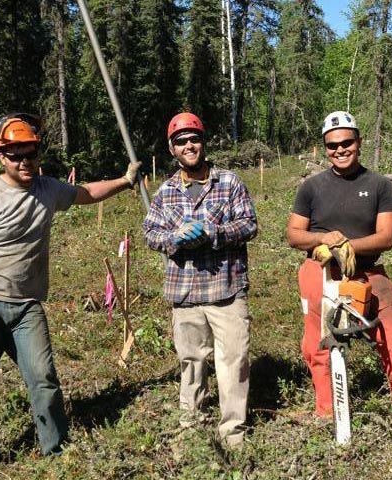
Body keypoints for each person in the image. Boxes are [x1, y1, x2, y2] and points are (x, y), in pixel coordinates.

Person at [0, 113, 141, 468]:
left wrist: (126, 181)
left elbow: (85, 193)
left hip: (27, 307)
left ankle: (56, 450)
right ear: (0, 156)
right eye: (15, 155)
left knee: (44, 379)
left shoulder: (47, 189)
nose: (24, 162)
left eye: (31, 154)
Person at [286, 111, 392, 420]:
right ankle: (328, 411)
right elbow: (293, 234)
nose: (339, 150)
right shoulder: (311, 188)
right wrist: (324, 243)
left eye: (346, 142)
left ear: (359, 142)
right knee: (319, 339)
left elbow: (386, 237)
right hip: (321, 270)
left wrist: (349, 245)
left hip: (367, 271)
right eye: (332, 145)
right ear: (325, 148)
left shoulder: (380, 186)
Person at [142, 112, 257, 447]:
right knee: (191, 362)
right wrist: (174, 237)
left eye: (194, 139)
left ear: (203, 142)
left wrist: (214, 232)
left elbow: (249, 224)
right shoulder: (165, 192)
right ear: (172, 149)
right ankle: (190, 424)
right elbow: (151, 233)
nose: (189, 145)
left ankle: (232, 430)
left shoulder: (229, 183)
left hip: (226, 289)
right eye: (181, 141)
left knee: (234, 360)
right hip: (185, 292)